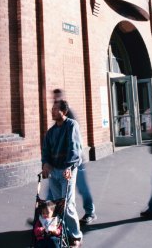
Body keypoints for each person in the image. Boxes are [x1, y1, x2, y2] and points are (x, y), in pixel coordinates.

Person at [41, 100, 83, 248]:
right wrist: (45, 164)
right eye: (52, 109)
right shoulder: (51, 132)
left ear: (64, 111)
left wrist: (69, 166)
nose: (52, 111)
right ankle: (61, 232)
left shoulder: (71, 125)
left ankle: (75, 237)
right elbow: (46, 150)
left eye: (55, 109)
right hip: (55, 172)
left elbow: (75, 148)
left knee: (67, 205)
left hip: (67, 171)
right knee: (56, 205)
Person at [53, 89, 96, 225]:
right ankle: (54, 216)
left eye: (57, 98)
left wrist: (71, 162)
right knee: (53, 190)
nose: (54, 101)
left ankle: (90, 212)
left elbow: (74, 140)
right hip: (60, 161)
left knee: (82, 187)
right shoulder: (57, 115)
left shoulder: (68, 115)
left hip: (74, 161)